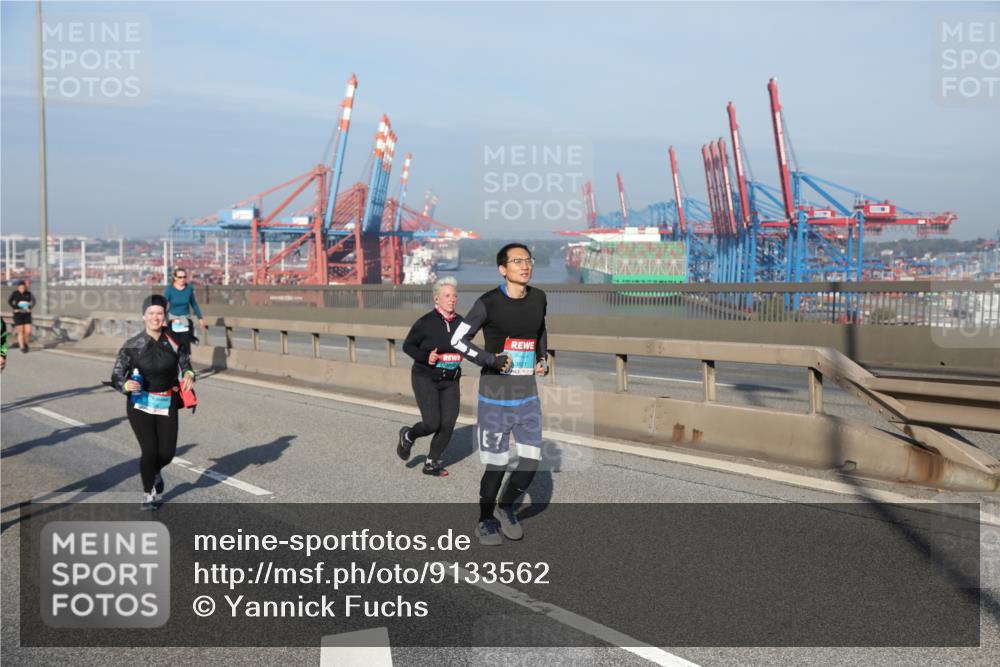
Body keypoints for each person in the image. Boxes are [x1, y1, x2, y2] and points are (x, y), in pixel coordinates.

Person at [451, 243, 548, 546]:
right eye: (517, 261)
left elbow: (539, 330)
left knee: (531, 462)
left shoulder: (540, 298)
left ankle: (506, 508)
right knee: (497, 463)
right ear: (503, 269)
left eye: (528, 260)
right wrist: (490, 359)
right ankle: (485, 520)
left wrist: (542, 357)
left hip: (528, 397)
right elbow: (457, 339)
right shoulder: (488, 303)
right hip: (494, 398)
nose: (525, 265)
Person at [111, 294, 195, 511]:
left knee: (167, 453)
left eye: (159, 313)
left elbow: (186, 364)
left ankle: (154, 472)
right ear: (144, 316)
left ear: (164, 316)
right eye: (151, 313)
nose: (156, 317)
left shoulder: (176, 342)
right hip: (140, 404)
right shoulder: (132, 345)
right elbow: (117, 375)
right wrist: (125, 385)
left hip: (166, 401)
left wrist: (188, 374)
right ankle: (149, 493)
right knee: (149, 450)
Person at [398, 277, 464, 477]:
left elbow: (467, 347)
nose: (452, 299)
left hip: (451, 380)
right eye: (447, 296)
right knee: (432, 423)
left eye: (454, 296)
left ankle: (431, 462)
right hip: (425, 377)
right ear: (437, 299)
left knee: (448, 424)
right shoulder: (425, 323)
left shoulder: (461, 323)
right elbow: (407, 346)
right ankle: (408, 435)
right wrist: (427, 357)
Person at [163, 268, 205, 348]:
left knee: (186, 346)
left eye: (184, 277)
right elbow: (163, 304)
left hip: (185, 320)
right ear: (175, 278)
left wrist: (200, 319)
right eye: (180, 277)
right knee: (174, 346)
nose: (182, 279)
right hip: (172, 320)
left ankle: (186, 358)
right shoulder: (169, 290)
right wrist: (163, 319)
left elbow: (194, 304)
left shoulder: (189, 289)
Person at [8, 280, 35, 353]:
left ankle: (25, 343)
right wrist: (15, 308)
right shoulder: (15, 293)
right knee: (20, 331)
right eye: (20, 288)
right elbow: (9, 301)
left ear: (25, 287)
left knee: (28, 331)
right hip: (18, 315)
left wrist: (30, 308)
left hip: (26, 314)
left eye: (23, 288)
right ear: (18, 288)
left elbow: (33, 301)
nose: (22, 289)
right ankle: (22, 347)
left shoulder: (28, 293)